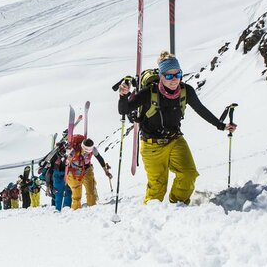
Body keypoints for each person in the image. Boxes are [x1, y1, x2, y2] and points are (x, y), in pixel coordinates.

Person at [118, 51, 237, 204]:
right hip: (151, 145)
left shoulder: (186, 91)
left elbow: (201, 109)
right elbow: (124, 110)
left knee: (188, 175)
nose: (173, 80)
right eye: (168, 76)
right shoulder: (149, 92)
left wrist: (221, 125)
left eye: (177, 74)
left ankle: (178, 206)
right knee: (157, 187)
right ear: (161, 76)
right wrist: (123, 96)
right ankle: (152, 218)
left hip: (175, 139)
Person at [65, 135, 112, 210]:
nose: (86, 153)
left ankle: (92, 209)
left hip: (87, 170)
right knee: (76, 196)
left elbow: (100, 159)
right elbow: (68, 158)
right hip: (75, 173)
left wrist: (106, 171)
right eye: (85, 151)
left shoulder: (93, 149)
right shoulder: (75, 150)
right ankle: (76, 211)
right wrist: (68, 159)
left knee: (91, 192)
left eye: (88, 152)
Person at [46, 141, 72, 211]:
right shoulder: (53, 157)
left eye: (63, 149)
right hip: (57, 176)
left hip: (66, 174)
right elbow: (49, 170)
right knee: (58, 193)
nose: (62, 151)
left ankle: (67, 208)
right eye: (60, 150)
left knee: (68, 191)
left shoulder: (68, 154)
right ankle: (58, 209)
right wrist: (48, 186)